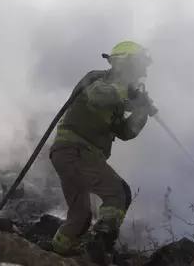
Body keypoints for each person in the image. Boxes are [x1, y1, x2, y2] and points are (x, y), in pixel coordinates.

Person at [48, 41, 155, 262]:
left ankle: (56, 254)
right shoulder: (97, 79)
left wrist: (141, 111)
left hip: (72, 155)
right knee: (118, 194)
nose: (142, 73)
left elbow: (126, 132)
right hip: (75, 150)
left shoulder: (115, 100)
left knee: (81, 216)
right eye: (140, 66)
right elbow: (99, 96)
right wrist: (129, 92)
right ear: (125, 63)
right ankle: (97, 250)